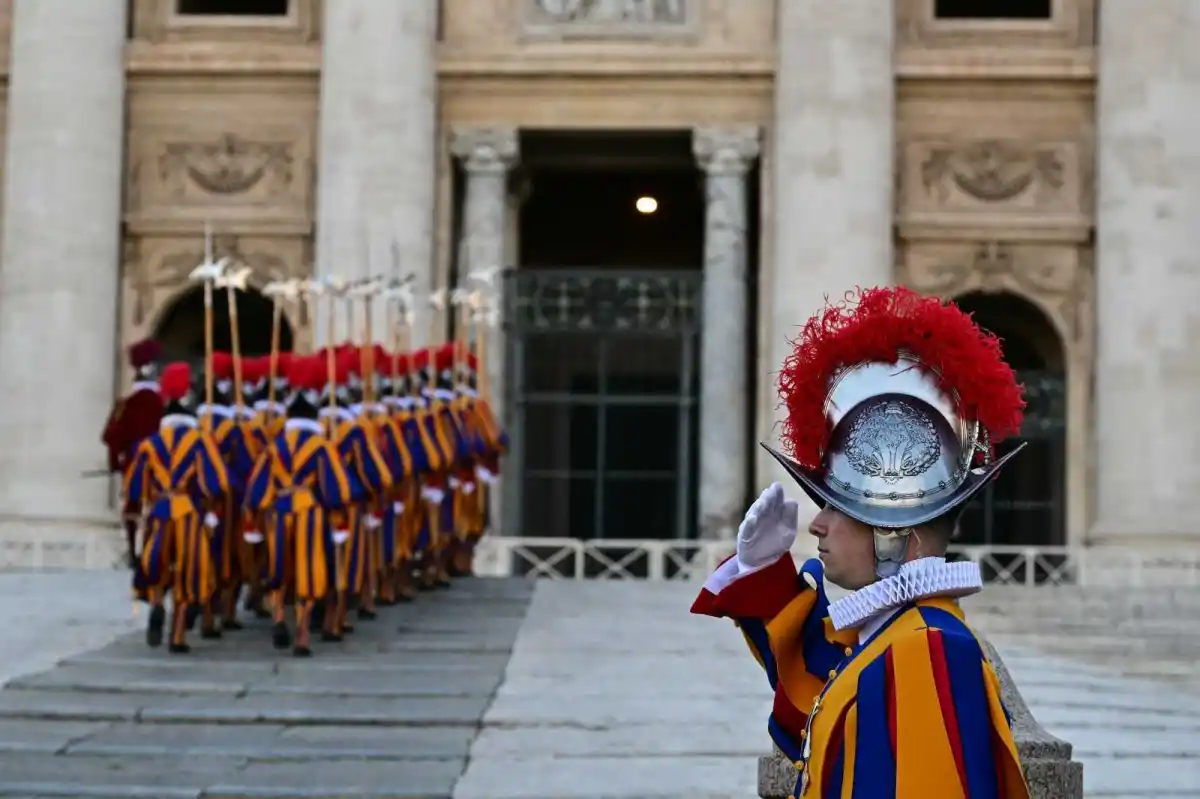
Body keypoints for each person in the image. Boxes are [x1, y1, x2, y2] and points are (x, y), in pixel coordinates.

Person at [692, 286, 1031, 799]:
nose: (816, 525)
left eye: (840, 509)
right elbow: (820, 703)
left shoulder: (927, 648)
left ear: (895, 534)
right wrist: (765, 578)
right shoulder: (900, 637)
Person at [243, 354, 360, 656]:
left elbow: (258, 486)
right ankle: (304, 633)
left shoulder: (275, 446)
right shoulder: (321, 446)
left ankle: (281, 615)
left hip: (280, 511)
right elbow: (336, 488)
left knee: (279, 566)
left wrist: (254, 515)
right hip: (309, 511)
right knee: (310, 571)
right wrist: (340, 518)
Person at [123, 361, 229, 653]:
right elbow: (215, 482)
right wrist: (210, 512)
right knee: (189, 573)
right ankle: (178, 635)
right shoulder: (198, 440)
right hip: (187, 514)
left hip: (159, 511)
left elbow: (134, 487)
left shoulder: (150, 444)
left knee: (157, 566)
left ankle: (157, 603)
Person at [103, 338, 165, 569]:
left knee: (132, 508)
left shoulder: (125, 405)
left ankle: (132, 550)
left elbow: (111, 437)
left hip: (134, 464)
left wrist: (114, 463)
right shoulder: (164, 404)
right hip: (163, 465)